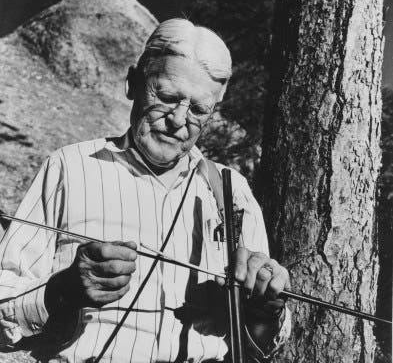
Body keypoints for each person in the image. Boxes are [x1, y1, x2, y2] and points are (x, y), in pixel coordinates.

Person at [0, 19, 291, 362]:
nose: (179, 120)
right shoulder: (69, 167)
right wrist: (62, 291)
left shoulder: (231, 191)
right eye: (167, 97)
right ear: (133, 83)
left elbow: (264, 344)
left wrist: (265, 308)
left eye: (198, 109)